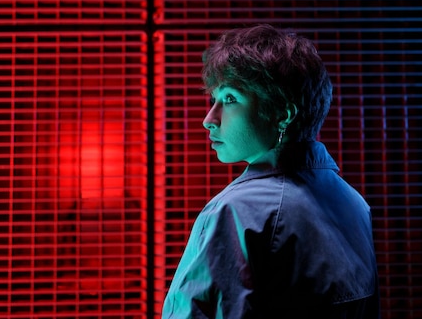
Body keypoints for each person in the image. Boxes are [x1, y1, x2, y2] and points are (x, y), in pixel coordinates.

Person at [161, 24, 380, 319]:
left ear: (282, 114)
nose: (209, 119)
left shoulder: (236, 211)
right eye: (213, 99)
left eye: (230, 99)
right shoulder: (354, 204)